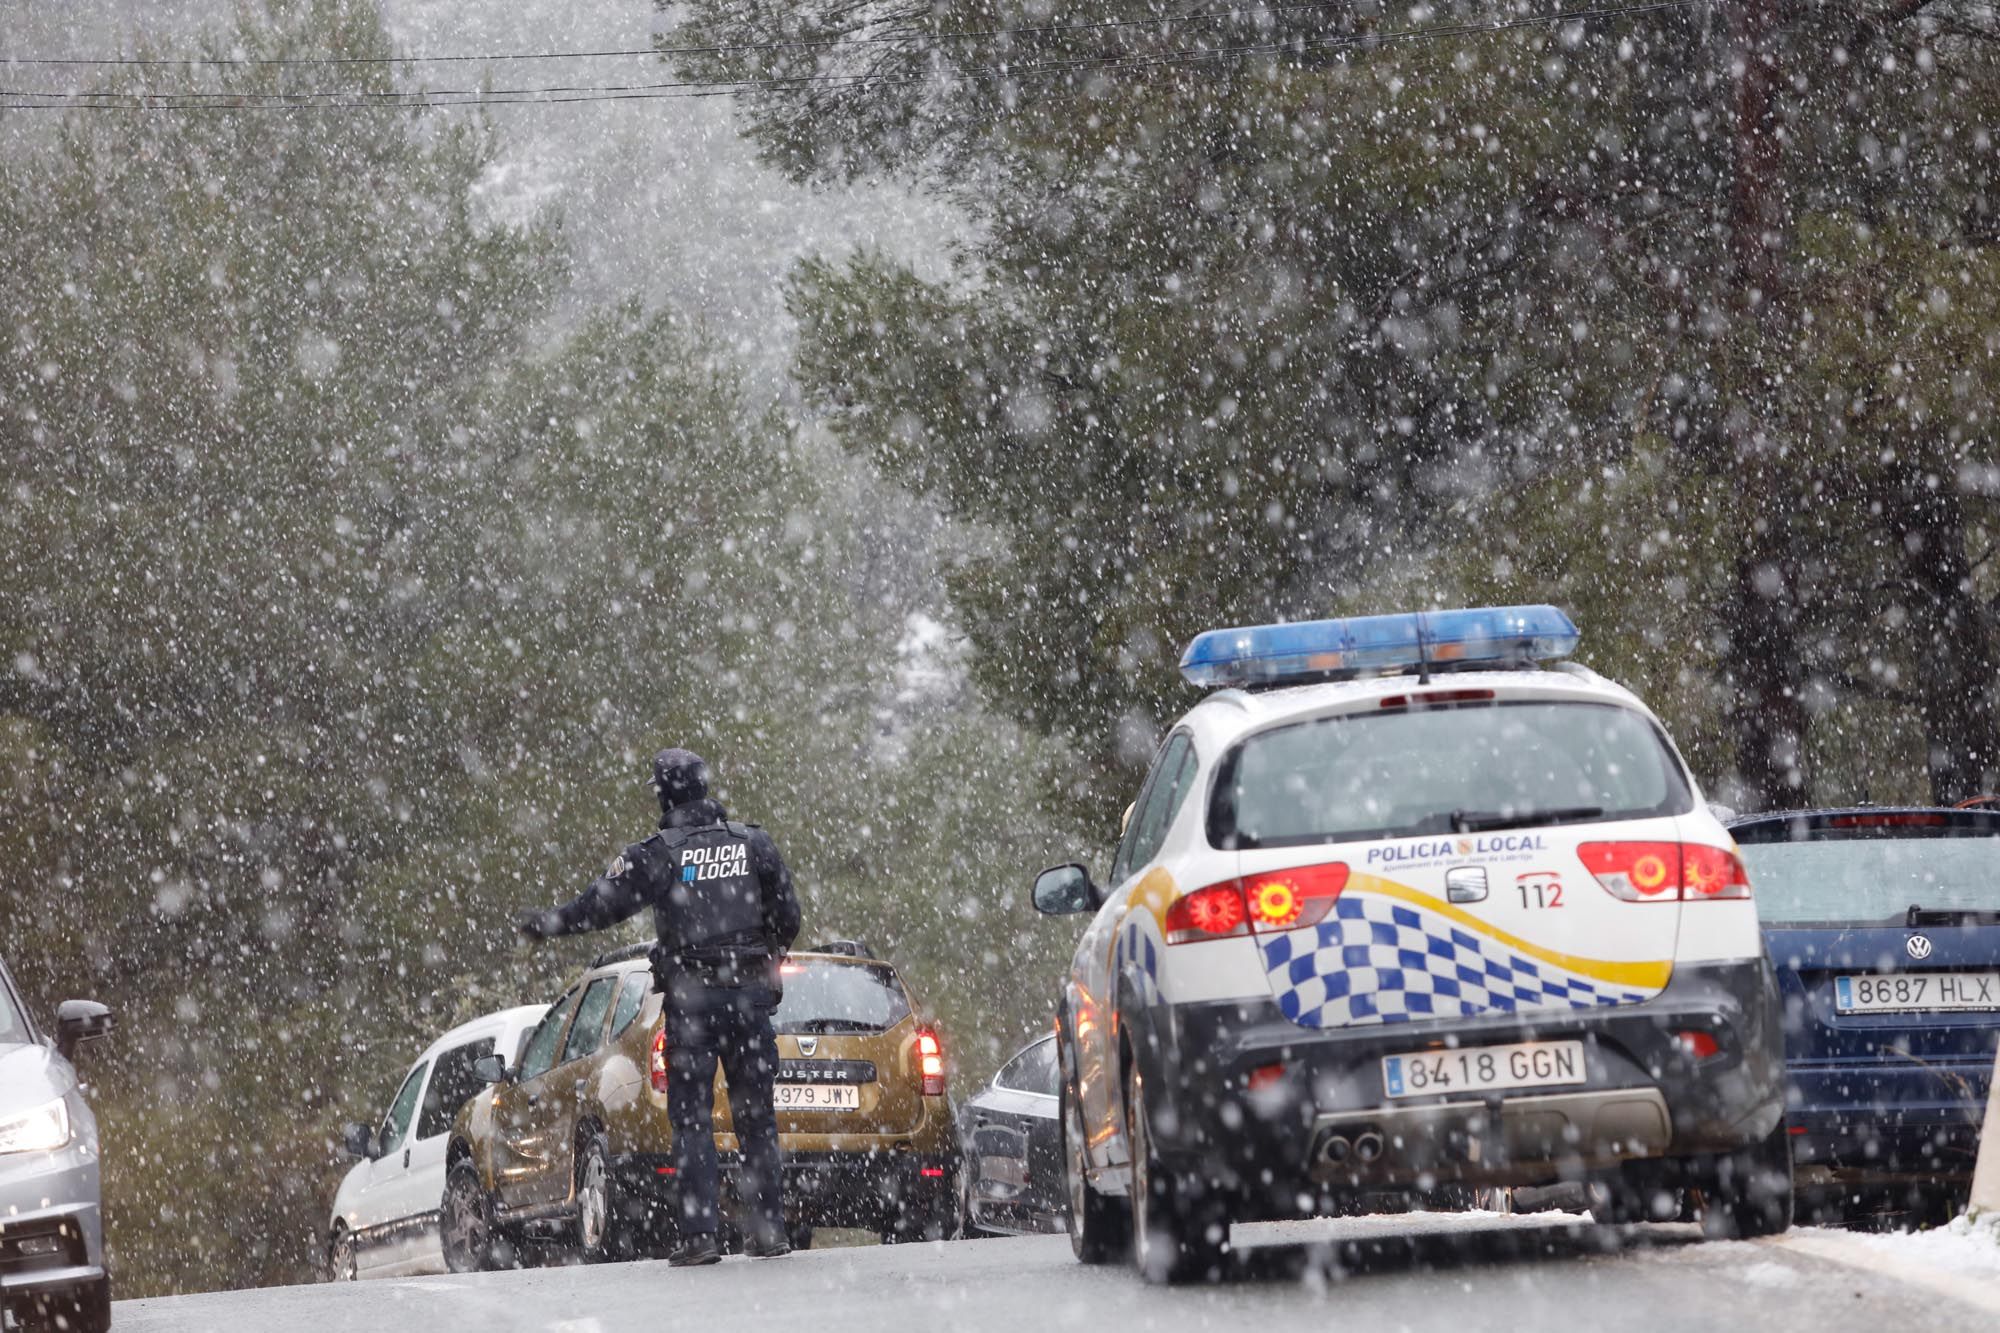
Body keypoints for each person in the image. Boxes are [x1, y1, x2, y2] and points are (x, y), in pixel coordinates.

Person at [515, 748, 801, 1266]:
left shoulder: (657, 853)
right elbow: (789, 914)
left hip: (693, 1007)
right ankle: (769, 1229)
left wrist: (550, 923)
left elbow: (601, 904)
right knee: (755, 1118)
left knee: (691, 1119)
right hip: (750, 1002)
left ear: (665, 795)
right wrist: (762, 958)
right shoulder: (752, 842)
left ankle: (700, 1237)